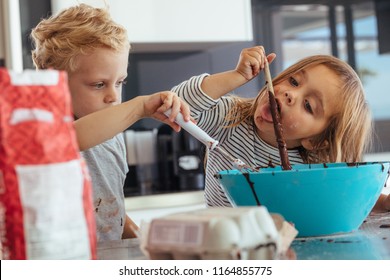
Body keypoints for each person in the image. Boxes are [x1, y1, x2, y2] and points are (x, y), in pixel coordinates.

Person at [30, 4, 191, 242]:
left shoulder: (113, 136)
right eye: (98, 84)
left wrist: (142, 242)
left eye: (119, 82)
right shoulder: (42, 127)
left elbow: (110, 210)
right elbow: (70, 139)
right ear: (54, 80)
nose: (114, 96)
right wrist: (139, 107)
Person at [172, 46, 390, 211]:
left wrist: (385, 203)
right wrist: (237, 76)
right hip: (222, 244)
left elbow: (344, 199)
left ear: (315, 141)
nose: (291, 94)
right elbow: (177, 104)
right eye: (294, 81)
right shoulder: (230, 118)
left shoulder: (312, 169)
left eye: (308, 105)